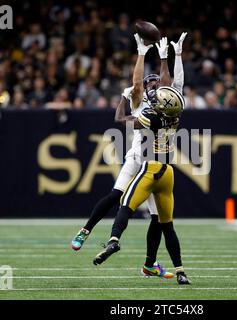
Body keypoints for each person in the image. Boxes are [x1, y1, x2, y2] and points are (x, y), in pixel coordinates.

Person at [71, 32, 187, 280]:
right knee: (117, 195)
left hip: (155, 162)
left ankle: (149, 264)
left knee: (157, 217)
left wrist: (170, 57)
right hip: (139, 156)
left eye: (157, 82)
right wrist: (143, 54)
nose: (155, 84)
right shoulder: (142, 100)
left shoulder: (164, 104)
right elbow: (137, 85)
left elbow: (172, 85)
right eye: (151, 82)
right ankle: (86, 230)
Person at [93, 83, 191, 285]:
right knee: (167, 226)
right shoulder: (175, 118)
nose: (155, 100)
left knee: (125, 206)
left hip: (151, 169)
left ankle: (114, 241)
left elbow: (120, 119)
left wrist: (123, 98)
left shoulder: (152, 117)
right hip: (168, 173)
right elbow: (167, 103)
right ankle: (181, 272)